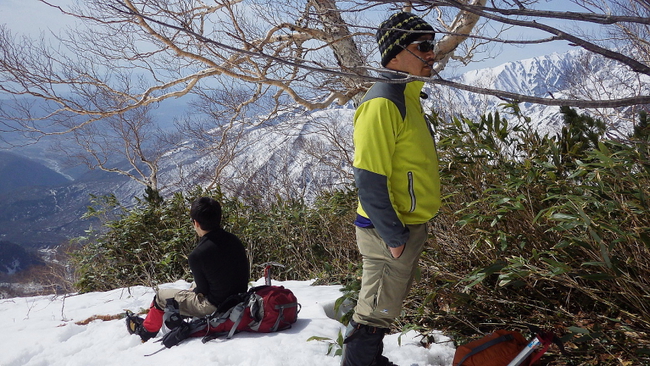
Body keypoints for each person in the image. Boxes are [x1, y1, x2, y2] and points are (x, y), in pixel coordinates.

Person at [340, 12, 441, 366]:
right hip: (388, 234)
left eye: (433, 44)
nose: (432, 53)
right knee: (373, 315)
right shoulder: (383, 102)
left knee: (384, 308)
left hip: (404, 228)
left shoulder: (408, 95)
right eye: (423, 46)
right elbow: (368, 180)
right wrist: (395, 237)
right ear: (394, 55)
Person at [126, 196, 250, 342]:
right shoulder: (234, 240)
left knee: (160, 297)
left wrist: (194, 292)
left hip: (215, 306)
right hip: (239, 297)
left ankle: (145, 332)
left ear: (196, 223)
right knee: (192, 287)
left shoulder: (197, 254)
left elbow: (202, 291)